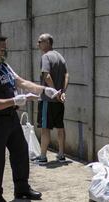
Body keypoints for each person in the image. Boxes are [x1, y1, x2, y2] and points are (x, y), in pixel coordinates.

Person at [0, 34, 59, 202]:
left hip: (11, 119)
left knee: (20, 153)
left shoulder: (3, 66)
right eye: (3, 50)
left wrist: (43, 90)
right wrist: (14, 100)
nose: (5, 52)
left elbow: (20, 82)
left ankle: (22, 189)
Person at [33, 33, 69, 164]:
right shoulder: (60, 56)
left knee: (45, 128)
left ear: (48, 42)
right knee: (60, 127)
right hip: (59, 100)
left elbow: (46, 76)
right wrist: (62, 92)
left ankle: (42, 157)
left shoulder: (46, 57)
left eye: (40, 41)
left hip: (48, 99)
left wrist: (54, 92)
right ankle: (61, 154)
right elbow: (66, 75)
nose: (38, 44)